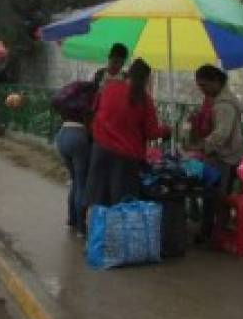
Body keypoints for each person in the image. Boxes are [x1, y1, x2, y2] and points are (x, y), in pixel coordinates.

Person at [82, 58, 170, 231]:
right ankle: (119, 242)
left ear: (128, 72)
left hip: (101, 150)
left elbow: (95, 111)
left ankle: (94, 239)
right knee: (122, 202)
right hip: (126, 157)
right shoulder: (144, 100)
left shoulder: (109, 88)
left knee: (97, 197)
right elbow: (152, 132)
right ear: (146, 79)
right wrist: (166, 131)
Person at [188, 64, 243, 242]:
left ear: (216, 82)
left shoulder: (224, 105)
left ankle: (212, 233)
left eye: (204, 85)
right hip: (222, 155)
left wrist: (203, 146)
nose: (202, 90)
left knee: (215, 197)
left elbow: (222, 133)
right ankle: (212, 231)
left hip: (225, 157)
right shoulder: (216, 101)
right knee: (214, 196)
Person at [53, 80, 95, 231]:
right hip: (78, 137)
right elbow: (90, 124)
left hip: (62, 135)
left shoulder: (69, 102)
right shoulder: (87, 101)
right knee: (81, 183)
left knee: (75, 181)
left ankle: (71, 219)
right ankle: (81, 225)